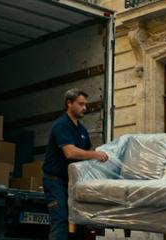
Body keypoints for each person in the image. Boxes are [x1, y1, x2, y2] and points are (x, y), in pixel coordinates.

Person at [44, 89, 109, 240]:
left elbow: (87, 153)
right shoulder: (61, 125)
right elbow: (70, 152)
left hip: (73, 182)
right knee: (60, 221)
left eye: (85, 105)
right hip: (56, 181)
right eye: (81, 104)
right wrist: (95, 154)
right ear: (69, 103)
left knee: (79, 222)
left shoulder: (82, 129)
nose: (84, 108)